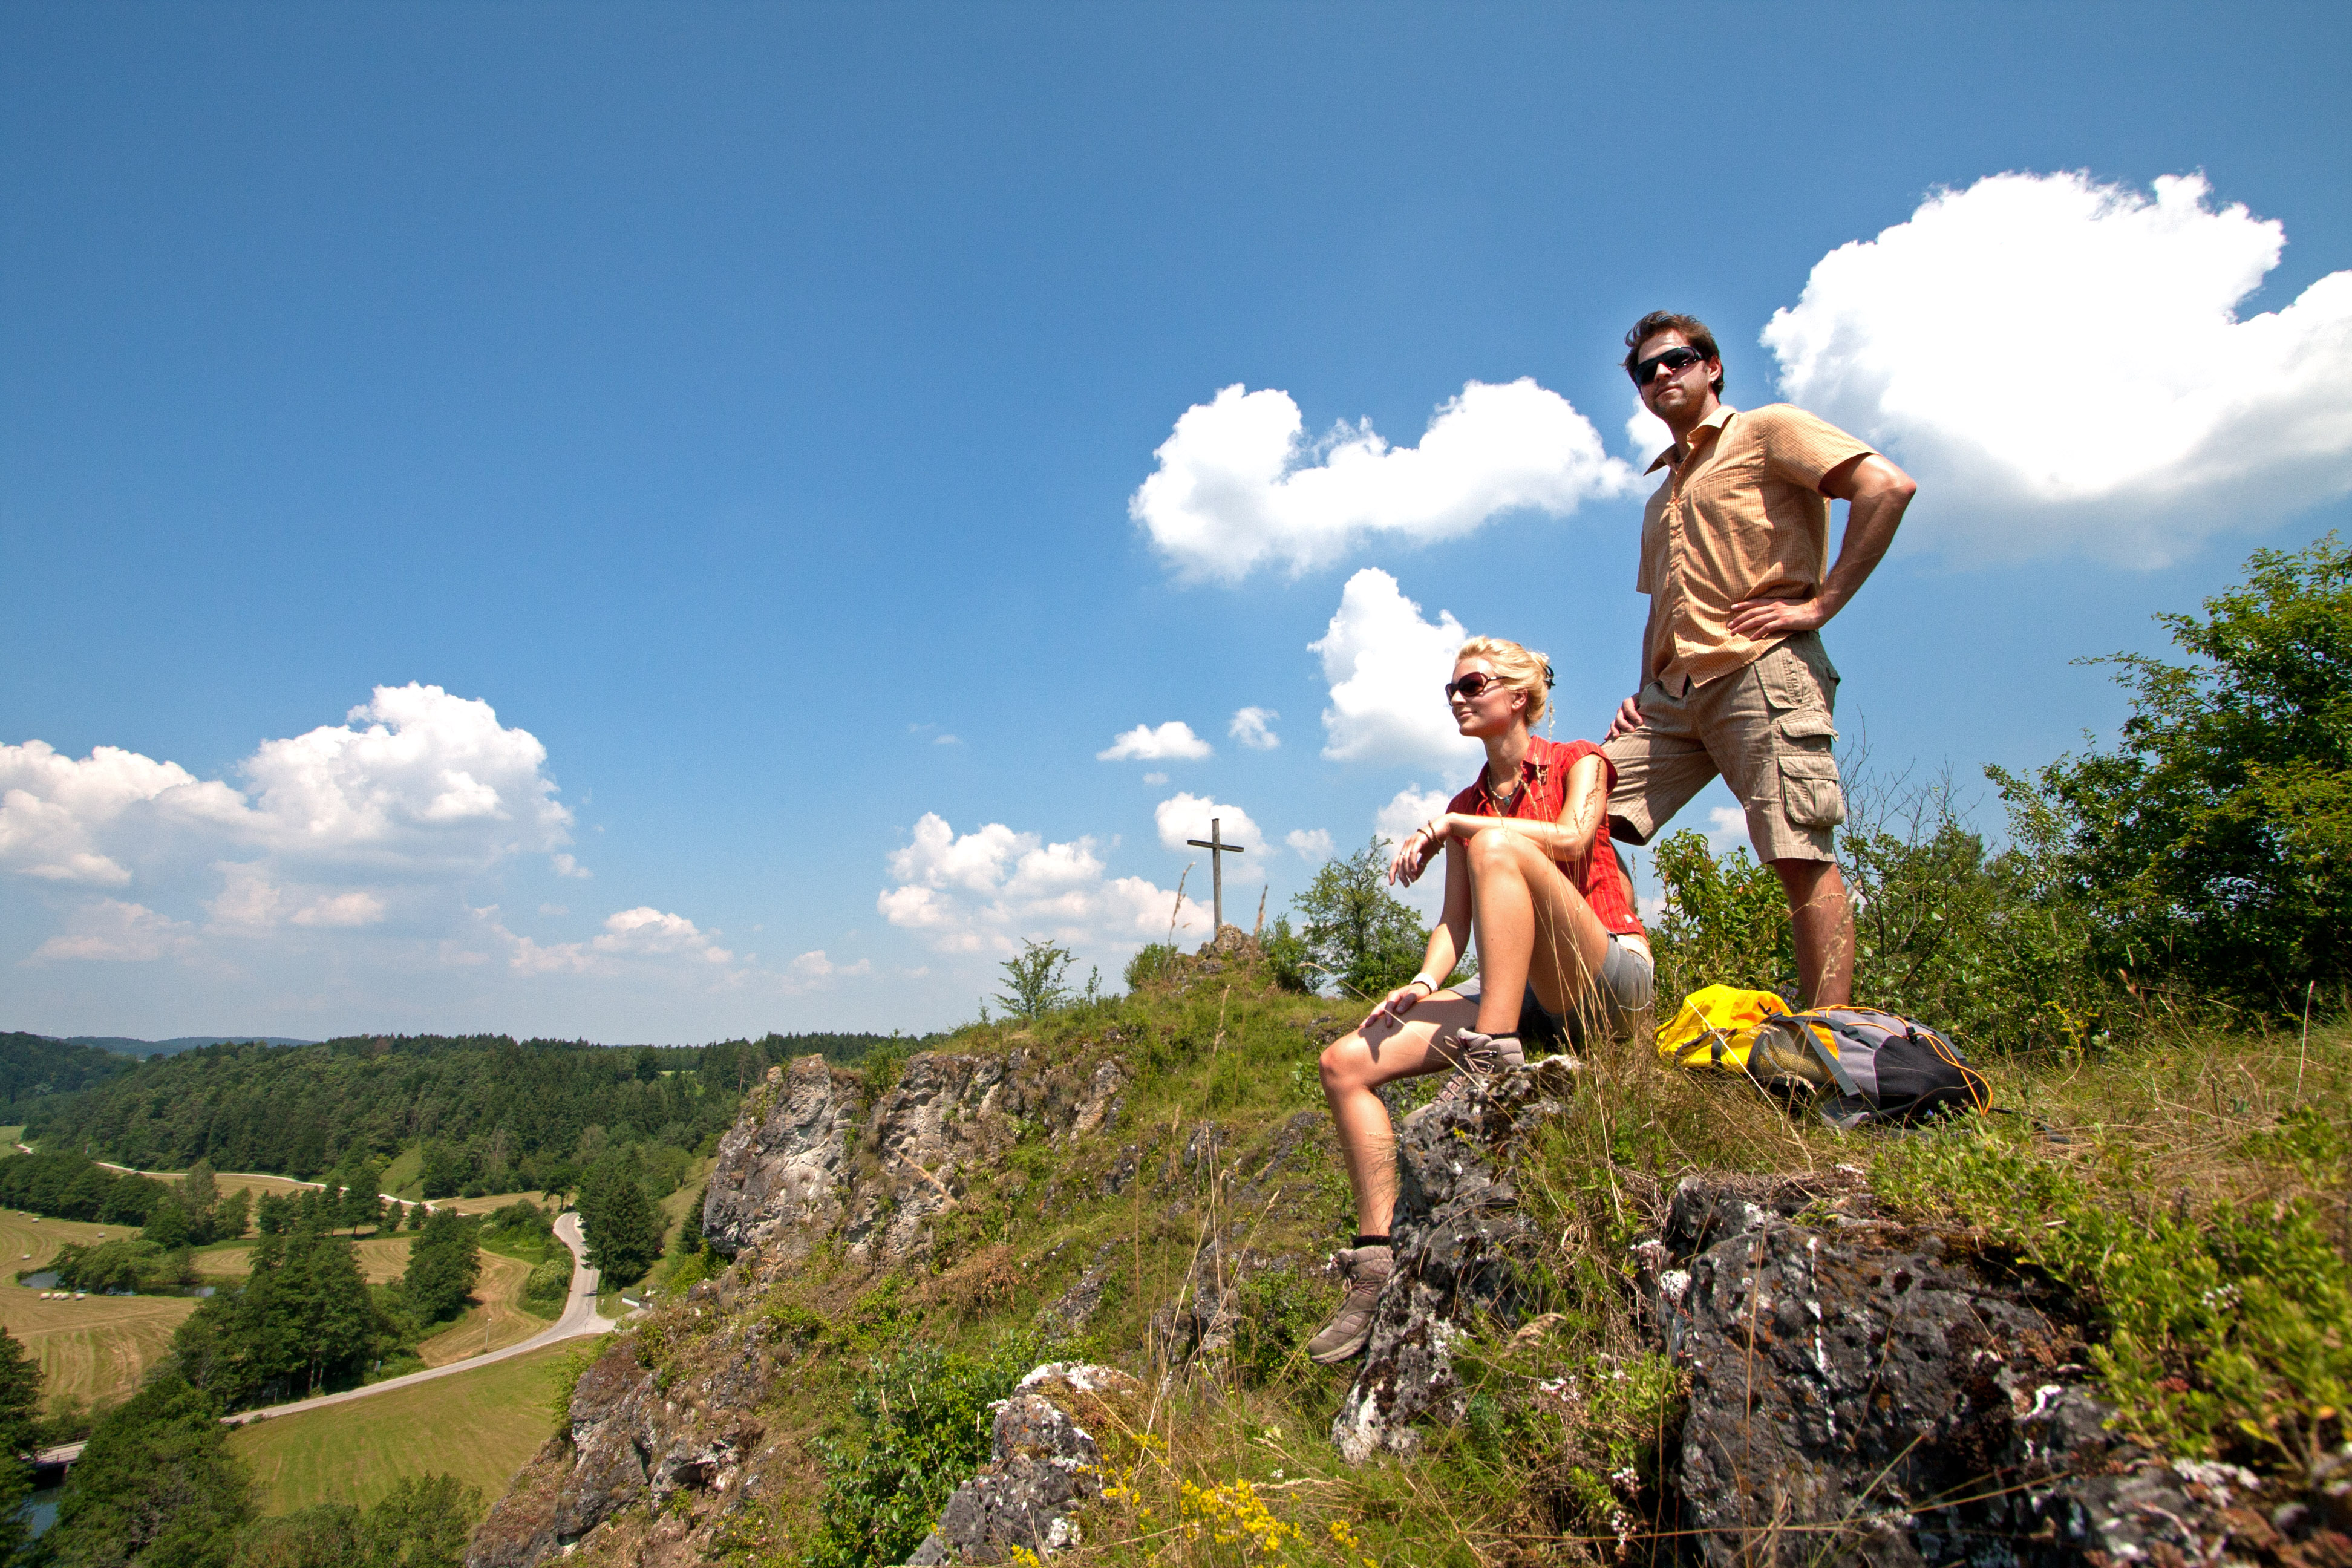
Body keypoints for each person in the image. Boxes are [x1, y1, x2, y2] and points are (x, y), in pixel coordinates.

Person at [1305, 636, 1652, 1365]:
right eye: (1453, 690)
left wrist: (1466, 831)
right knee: (1344, 1063)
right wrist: (1426, 982)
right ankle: (1374, 1265)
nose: (1458, 699)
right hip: (1516, 985)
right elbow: (1453, 927)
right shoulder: (1468, 804)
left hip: (1604, 975)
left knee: (1499, 848)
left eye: (1473, 685)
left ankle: (1491, 1068)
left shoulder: (1578, 760)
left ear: (1518, 696)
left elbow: (1572, 837)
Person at [1602, 310, 1918, 1010]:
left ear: (1711, 367)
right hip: (1673, 695)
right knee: (1576, 821)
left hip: (1763, 668)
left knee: (1796, 850)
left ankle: (1831, 1041)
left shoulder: (1767, 430)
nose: (1659, 376)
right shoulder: (1661, 497)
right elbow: (1664, 607)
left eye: (1675, 360)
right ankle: (1612, 1006)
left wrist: (1819, 605)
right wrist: (1644, 687)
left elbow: (1886, 487)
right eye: (1643, 371)